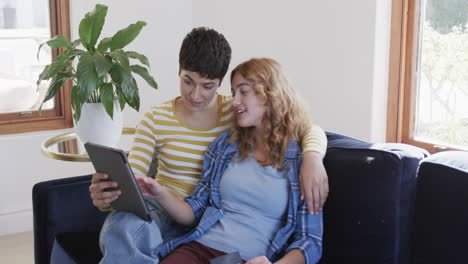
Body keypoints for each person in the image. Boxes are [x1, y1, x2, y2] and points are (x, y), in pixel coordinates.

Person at [88, 28, 327, 264]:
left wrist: (313, 157)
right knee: (125, 226)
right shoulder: (216, 139)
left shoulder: (238, 116)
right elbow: (137, 176)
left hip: (215, 233)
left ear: (220, 83)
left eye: (207, 86)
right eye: (188, 81)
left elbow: (303, 127)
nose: (195, 94)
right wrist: (112, 193)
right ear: (179, 72)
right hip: (171, 213)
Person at [138, 57, 323, 263]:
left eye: (243, 92)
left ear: (270, 94)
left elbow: (310, 241)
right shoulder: (225, 145)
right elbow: (195, 209)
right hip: (199, 248)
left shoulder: (301, 160)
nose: (234, 101)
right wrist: (160, 193)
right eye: (234, 92)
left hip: (247, 259)